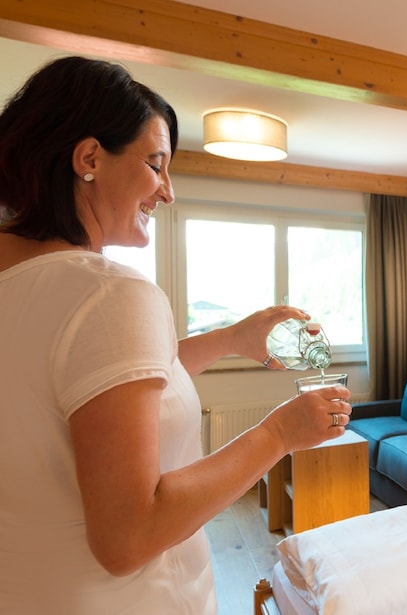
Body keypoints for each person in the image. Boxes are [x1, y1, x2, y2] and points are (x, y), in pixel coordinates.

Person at [0, 56, 352, 614]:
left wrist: (231, 338)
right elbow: (129, 535)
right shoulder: (107, 291)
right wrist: (280, 432)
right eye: (156, 165)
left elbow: (99, 387)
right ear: (89, 158)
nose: (167, 193)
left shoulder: (22, 283)